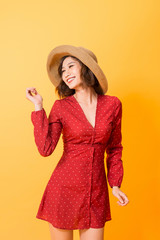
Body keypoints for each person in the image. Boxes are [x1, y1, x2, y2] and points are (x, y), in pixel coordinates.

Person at [26, 45, 129, 240]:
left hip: (96, 192)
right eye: (62, 71)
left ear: (87, 68)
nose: (66, 74)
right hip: (63, 189)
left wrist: (115, 185)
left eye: (71, 66)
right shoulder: (61, 107)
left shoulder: (113, 104)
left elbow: (115, 148)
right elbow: (45, 148)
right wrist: (38, 107)